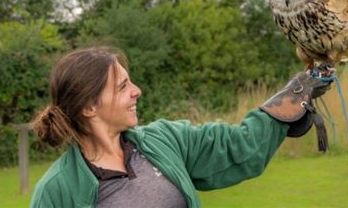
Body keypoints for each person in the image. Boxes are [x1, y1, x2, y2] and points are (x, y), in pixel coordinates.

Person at [30, 47, 330, 208]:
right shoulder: (57, 190)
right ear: (89, 107)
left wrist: (290, 98)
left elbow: (237, 146)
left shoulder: (163, 140)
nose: (137, 91)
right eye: (123, 87)